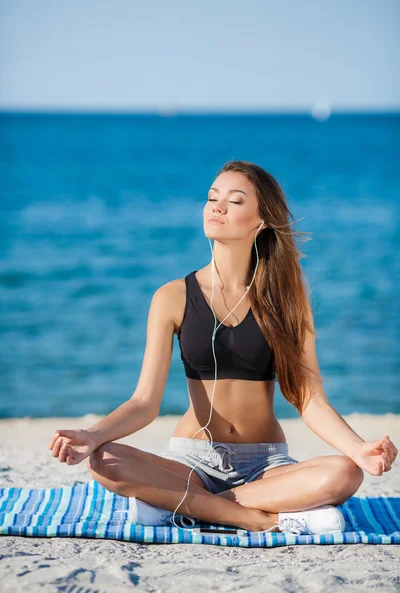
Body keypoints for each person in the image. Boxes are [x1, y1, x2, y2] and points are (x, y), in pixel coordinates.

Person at [49, 160, 398, 535]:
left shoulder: (287, 301)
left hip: (265, 465)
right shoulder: (172, 297)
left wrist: (359, 448)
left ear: (261, 221)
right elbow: (144, 403)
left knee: (344, 471)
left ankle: (185, 506)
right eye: (212, 198)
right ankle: (259, 518)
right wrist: (95, 435)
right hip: (192, 462)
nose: (217, 207)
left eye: (234, 201)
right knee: (105, 460)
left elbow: (310, 400)